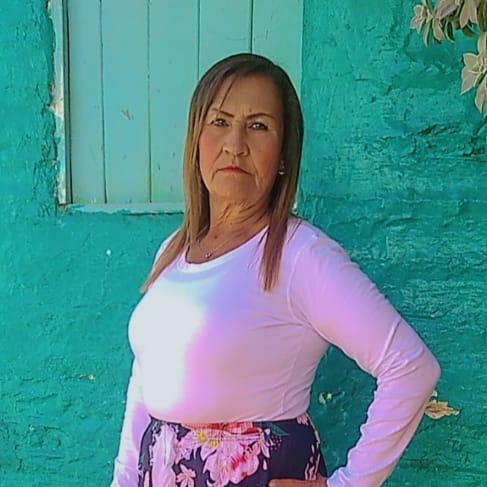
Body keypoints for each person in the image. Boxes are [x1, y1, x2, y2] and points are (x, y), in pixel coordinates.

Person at [109, 53, 441, 487]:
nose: (235, 144)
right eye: (220, 121)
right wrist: (123, 479)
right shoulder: (174, 250)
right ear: (196, 140)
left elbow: (411, 367)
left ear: (284, 154)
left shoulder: (300, 255)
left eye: (258, 126)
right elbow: (146, 379)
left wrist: (350, 484)